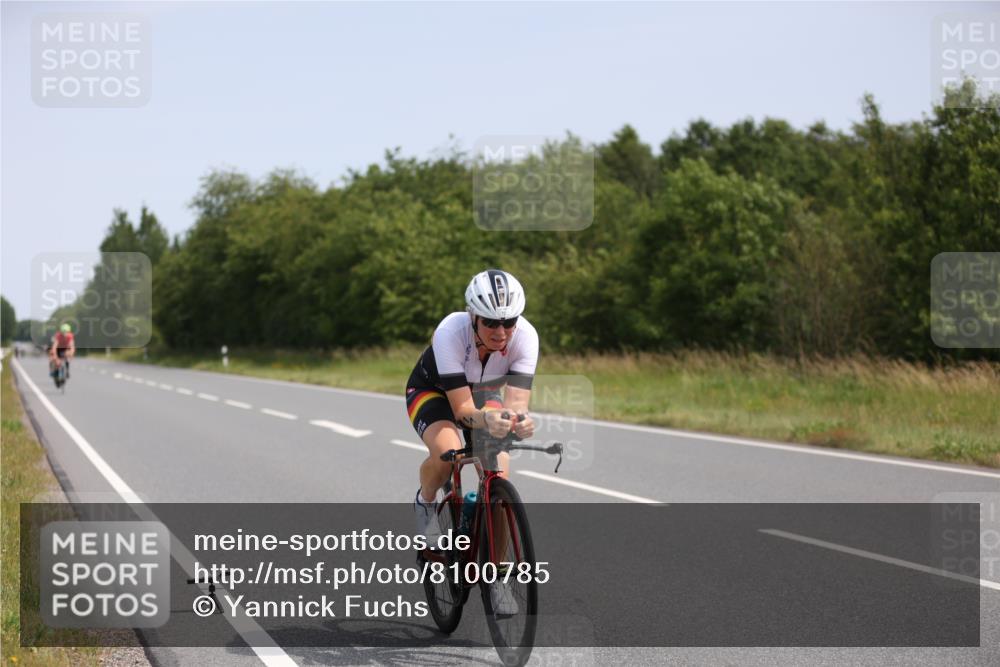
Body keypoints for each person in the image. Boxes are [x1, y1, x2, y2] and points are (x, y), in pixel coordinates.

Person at [405, 269, 538, 614]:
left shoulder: (525, 337)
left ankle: (495, 578)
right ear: (473, 316)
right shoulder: (451, 331)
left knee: (500, 479)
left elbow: (517, 404)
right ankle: (425, 500)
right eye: (491, 323)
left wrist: (518, 421)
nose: (501, 332)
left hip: (484, 393)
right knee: (448, 453)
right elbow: (462, 409)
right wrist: (487, 419)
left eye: (509, 322)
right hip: (433, 392)